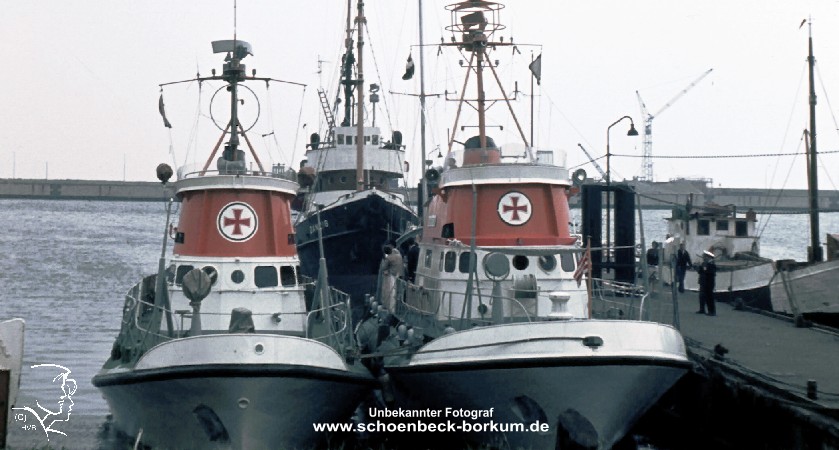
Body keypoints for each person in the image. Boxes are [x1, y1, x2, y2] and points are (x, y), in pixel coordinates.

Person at [381, 245, 404, 312]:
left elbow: (383, 267)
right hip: (401, 275)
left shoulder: (389, 258)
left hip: (393, 276)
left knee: (392, 293)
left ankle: (392, 309)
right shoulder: (399, 255)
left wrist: (385, 258)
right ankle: (400, 308)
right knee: (399, 293)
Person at [696, 250, 718, 315]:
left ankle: (712, 311)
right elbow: (700, 271)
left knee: (710, 297)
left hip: (709, 283)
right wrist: (698, 268)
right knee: (702, 296)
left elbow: (710, 273)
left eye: (705, 256)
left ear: (708, 257)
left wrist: (704, 269)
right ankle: (702, 309)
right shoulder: (704, 263)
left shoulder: (712, 264)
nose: (704, 258)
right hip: (703, 282)